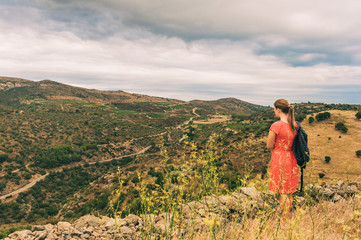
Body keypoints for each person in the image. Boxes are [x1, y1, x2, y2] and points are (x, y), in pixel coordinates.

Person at [266, 99, 299, 224]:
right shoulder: (295, 125)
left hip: (280, 158)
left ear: (278, 110)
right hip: (292, 158)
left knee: (282, 190)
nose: (274, 111)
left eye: (274, 109)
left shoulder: (276, 126)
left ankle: (283, 220)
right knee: (289, 190)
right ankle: (286, 218)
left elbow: (269, 145)